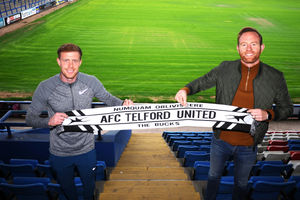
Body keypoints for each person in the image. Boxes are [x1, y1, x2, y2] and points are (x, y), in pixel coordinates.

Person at [175, 27, 293, 200]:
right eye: (244, 44)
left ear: (262, 47)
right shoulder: (225, 68)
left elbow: (287, 109)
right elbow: (203, 81)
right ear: (237, 48)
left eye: (254, 44)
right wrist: (186, 89)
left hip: (248, 145)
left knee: (241, 184)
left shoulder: (275, 76)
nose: (249, 48)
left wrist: (268, 114)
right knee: (213, 177)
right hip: (220, 140)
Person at [26, 43, 133, 200]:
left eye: (75, 61)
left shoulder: (91, 81)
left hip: (87, 150)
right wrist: (49, 121)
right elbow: (30, 118)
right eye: (66, 60)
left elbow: (109, 99)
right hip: (59, 153)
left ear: (80, 62)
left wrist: (123, 103)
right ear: (58, 61)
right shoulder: (45, 87)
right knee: (68, 190)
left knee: (89, 187)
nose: (70, 66)